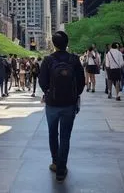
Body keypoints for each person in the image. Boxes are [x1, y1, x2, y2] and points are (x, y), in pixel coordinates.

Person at [39, 31, 85, 183]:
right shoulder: (74, 59)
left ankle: (55, 161)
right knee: (65, 136)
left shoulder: (48, 60)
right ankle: (61, 169)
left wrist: (48, 92)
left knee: (53, 133)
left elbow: (42, 81)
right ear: (67, 43)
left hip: (52, 104)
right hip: (69, 105)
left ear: (53, 44)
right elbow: (81, 82)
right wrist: (74, 95)